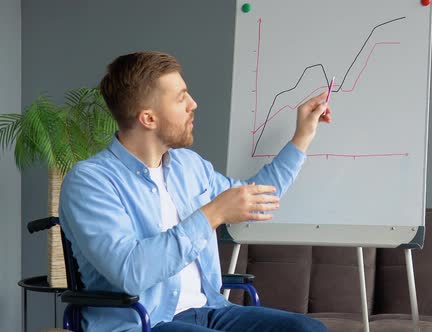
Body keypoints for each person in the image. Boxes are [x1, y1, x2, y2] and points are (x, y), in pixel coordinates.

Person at [58, 51, 332, 332]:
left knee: (308, 329)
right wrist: (212, 214)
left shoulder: (189, 166)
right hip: (145, 322)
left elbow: (256, 198)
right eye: (181, 98)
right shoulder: (90, 181)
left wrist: (302, 137)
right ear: (148, 118)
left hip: (209, 311)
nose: (193, 104)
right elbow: (131, 272)